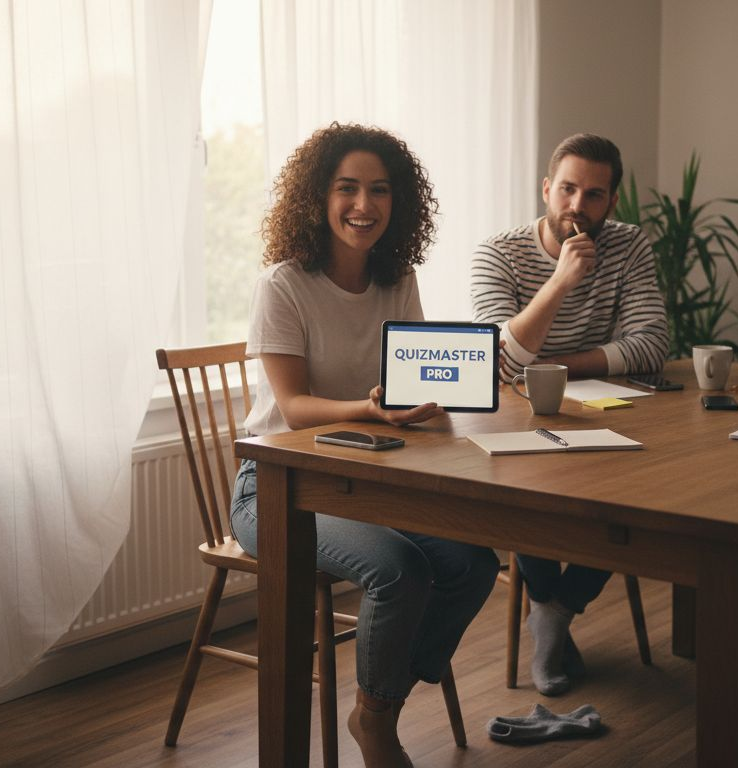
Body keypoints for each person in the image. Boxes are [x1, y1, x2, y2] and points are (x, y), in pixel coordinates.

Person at [231, 123, 500, 768]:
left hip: (367, 478)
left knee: (475, 564)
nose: (364, 204)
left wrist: (429, 396)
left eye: (379, 190)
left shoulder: (396, 278)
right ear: (317, 198)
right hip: (274, 491)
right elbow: (293, 408)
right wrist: (373, 408)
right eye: (347, 188)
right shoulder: (283, 285)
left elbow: (414, 372)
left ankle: (375, 707)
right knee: (399, 570)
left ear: (397, 202)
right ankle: (378, 724)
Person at [470, 133, 667, 696]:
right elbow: (500, 367)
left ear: (613, 201)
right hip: (517, 427)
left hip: (607, 418)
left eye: (594, 195)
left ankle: (554, 611)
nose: (578, 206)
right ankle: (553, 613)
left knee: (634, 508)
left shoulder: (628, 247)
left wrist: (551, 364)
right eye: (567, 190)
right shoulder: (498, 253)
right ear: (546, 190)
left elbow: (651, 345)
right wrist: (559, 282)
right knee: (524, 496)